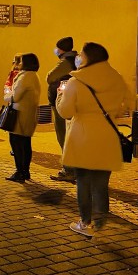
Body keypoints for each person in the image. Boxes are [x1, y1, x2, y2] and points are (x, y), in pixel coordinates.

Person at [57, 42, 133, 237]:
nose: (78, 57)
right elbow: (129, 103)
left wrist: (60, 96)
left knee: (83, 181)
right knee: (101, 182)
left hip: (83, 136)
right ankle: (100, 222)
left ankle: (85, 223)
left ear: (89, 57)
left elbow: (66, 112)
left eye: (81, 54)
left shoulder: (76, 81)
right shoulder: (117, 78)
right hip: (107, 135)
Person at [5, 53, 41, 183]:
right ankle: (25, 171)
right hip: (29, 113)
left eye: (21, 62)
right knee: (26, 143)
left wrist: (7, 94)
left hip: (20, 114)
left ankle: (20, 171)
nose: (18, 64)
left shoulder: (25, 77)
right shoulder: (34, 76)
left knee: (16, 142)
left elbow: (16, 96)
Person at [47, 37, 78, 182]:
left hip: (62, 103)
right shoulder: (75, 60)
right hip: (69, 102)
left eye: (57, 48)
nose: (55, 50)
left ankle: (69, 170)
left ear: (62, 49)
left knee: (63, 136)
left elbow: (50, 77)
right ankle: (73, 169)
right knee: (68, 136)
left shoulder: (66, 62)